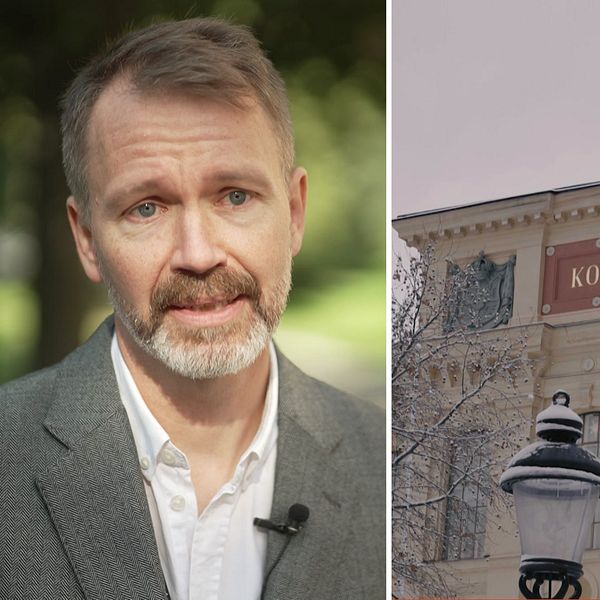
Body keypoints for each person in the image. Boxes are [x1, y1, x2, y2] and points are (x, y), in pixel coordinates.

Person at [0, 17, 384, 600]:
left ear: (295, 212)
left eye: (235, 196)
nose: (199, 256)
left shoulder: (385, 465)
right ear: (86, 240)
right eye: (147, 208)